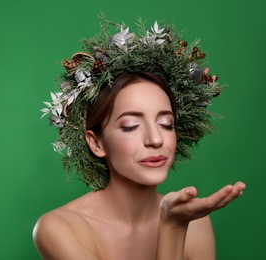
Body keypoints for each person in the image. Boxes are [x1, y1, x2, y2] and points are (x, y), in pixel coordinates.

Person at [34, 17, 246, 260]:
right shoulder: (60, 228)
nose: (155, 139)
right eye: (131, 126)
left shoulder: (196, 224)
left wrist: (175, 222)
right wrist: (173, 228)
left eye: (166, 124)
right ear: (96, 142)